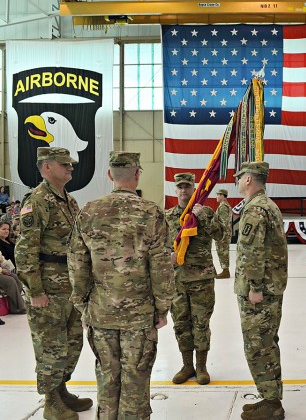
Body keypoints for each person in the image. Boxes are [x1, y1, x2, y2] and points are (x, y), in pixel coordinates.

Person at [68, 151, 174, 419]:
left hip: (100, 313)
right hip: (139, 316)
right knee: (136, 377)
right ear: (137, 174)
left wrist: (83, 306)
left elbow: (77, 264)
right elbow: (161, 266)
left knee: (106, 375)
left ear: (109, 175)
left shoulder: (88, 212)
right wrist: (162, 308)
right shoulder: (151, 213)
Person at [15, 147, 92, 420]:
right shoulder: (37, 201)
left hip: (70, 286)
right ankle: (51, 402)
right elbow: (24, 251)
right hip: (47, 287)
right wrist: (35, 290)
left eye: (70, 164)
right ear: (47, 168)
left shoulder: (68, 200)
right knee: (51, 346)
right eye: (64, 164)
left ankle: (61, 390)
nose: (71, 168)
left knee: (72, 343)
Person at [234, 161, 288, 420]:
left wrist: (254, 287)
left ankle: (271, 403)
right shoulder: (267, 205)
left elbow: (252, 252)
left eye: (240, 176)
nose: (237, 180)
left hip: (260, 291)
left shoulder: (256, 210)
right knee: (266, 342)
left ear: (248, 180)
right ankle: (270, 397)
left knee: (258, 345)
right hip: (270, 287)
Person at [165, 172, 224, 385]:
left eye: (187, 187)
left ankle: (201, 366)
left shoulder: (204, 212)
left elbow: (221, 235)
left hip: (202, 279)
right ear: (175, 189)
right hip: (177, 280)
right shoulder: (169, 216)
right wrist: (166, 255)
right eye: (180, 187)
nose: (183, 191)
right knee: (181, 324)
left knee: (201, 324)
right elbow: (159, 244)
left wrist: (204, 217)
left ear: (193, 189)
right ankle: (187, 365)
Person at [0, 220, 25, 314]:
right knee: (10, 281)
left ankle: (14, 306)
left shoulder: (10, 242)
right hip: (6, 269)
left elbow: (2, 259)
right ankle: (19, 307)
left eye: (7, 229)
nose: (6, 231)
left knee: (16, 279)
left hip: (9, 268)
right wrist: (3, 270)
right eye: (3, 229)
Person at [214, 188, 233, 279]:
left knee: (223, 252)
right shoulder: (223, 205)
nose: (216, 197)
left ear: (222, 196)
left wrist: (219, 233)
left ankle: (226, 271)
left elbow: (224, 223)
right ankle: (225, 270)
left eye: (218, 195)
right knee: (222, 252)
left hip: (223, 234)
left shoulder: (223, 207)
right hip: (223, 234)